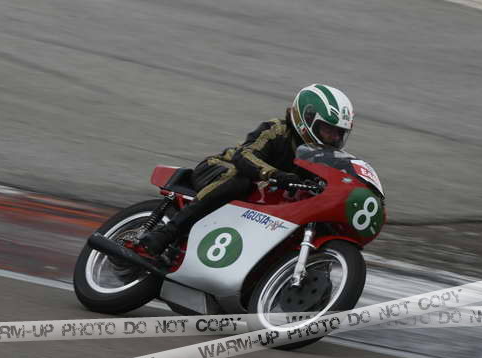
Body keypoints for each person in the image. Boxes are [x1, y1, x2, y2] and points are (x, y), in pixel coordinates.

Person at [139, 83, 355, 259]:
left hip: (257, 199)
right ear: (307, 119)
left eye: (339, 133)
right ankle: (167, 232)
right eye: (328, 130)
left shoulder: (319, 159)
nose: (334, 138)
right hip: (217, 169)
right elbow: (244, 155)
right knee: (239, 180)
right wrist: (275, 175)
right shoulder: (277, 130)